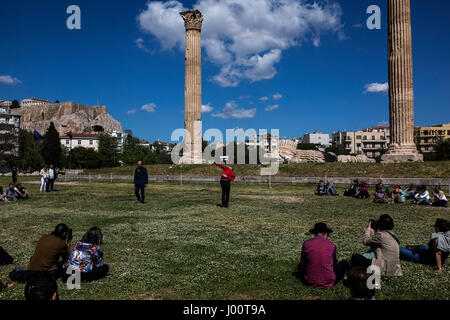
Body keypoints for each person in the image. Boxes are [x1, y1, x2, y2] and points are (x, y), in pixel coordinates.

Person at [294, 223, 349, 288]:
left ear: (314, 233)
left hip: (309, 280)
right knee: (344, 263)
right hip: (328, 281)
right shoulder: (331, 245)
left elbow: (303, 263)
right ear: (326, 233)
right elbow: (334, 263)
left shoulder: (306, 243)